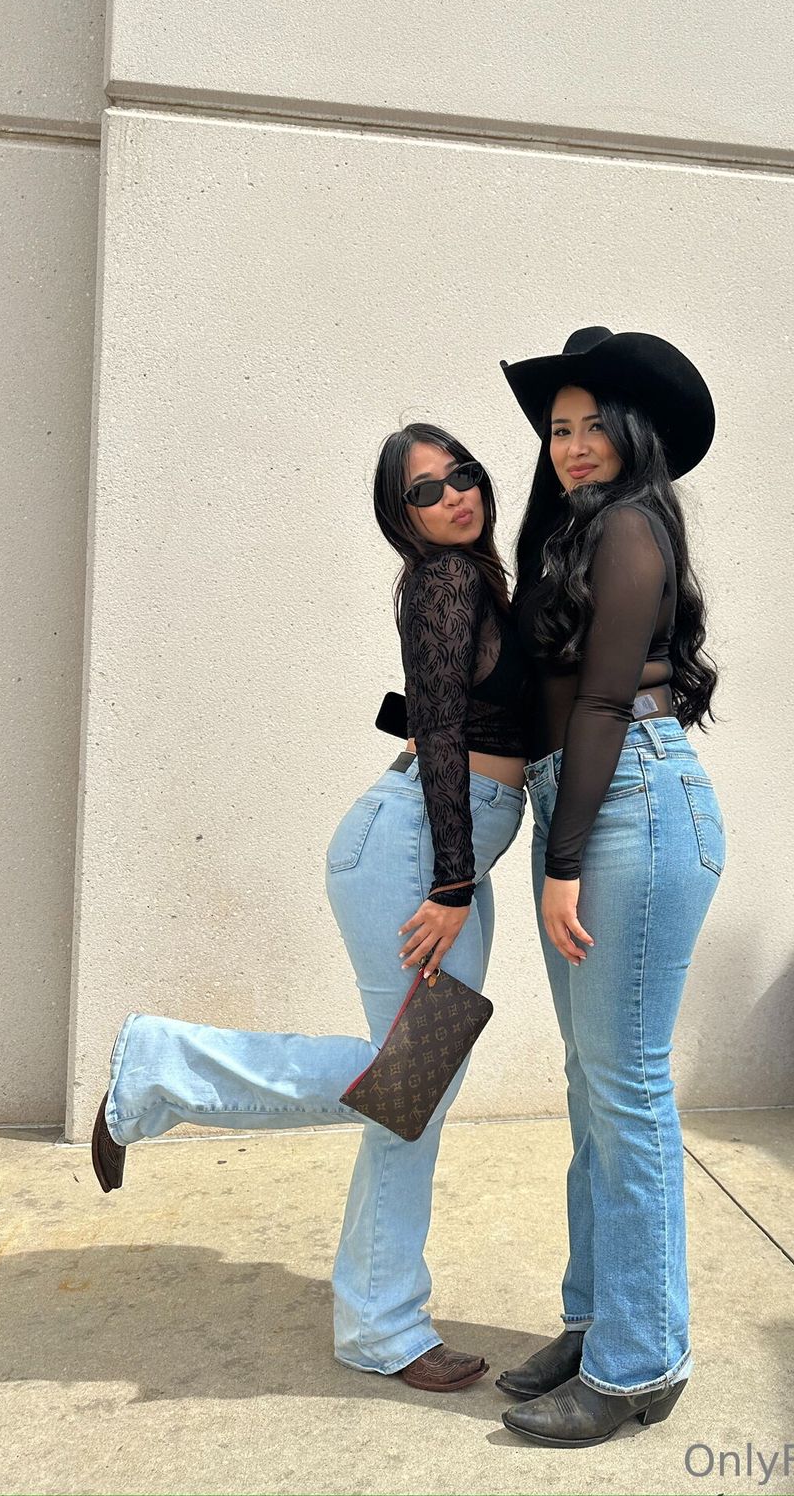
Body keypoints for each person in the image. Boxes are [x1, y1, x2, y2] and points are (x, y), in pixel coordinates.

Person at [89, 422, 529, 1392]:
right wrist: (452, 883)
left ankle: (379, 1321)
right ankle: (163, 1065)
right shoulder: (443, 581)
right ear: (401, 517)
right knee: (410, 1082)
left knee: (413, 1093)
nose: (454, 494)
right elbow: (441, 732)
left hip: (443, 845)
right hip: (420, 852)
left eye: (462, 474)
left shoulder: (480, 579)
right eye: (426, 490)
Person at [489, 326, 726, 1448]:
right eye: (558, 428)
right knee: (593, 1087)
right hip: (587, 801)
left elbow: (597, 702)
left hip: (629, 803)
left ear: (635, 434)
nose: (573, 445)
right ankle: (596, 1322)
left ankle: (643, 1359)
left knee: (625, 1088)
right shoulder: (575, 536)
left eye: (593, 426)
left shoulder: (632, 525)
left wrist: (564, 861)